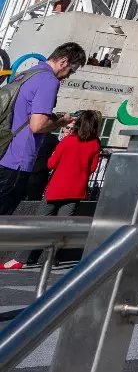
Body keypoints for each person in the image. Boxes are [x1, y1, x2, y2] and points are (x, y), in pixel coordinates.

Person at [0, 44, 87, 248]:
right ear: (63, 62)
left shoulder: (27, 74)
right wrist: (61, 121)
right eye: (71, 70)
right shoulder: (48, 81)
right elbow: (38, 125)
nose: (68, 76)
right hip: (17, 160)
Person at [23, 111, 103, 267]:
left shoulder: (67, 141)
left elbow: (51, 163)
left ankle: (30, 256)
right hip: (76, 190)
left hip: (56, 188)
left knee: (40, 223)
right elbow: (93, 168)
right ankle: (52, 258)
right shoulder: (95, 144)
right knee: (63, 226)